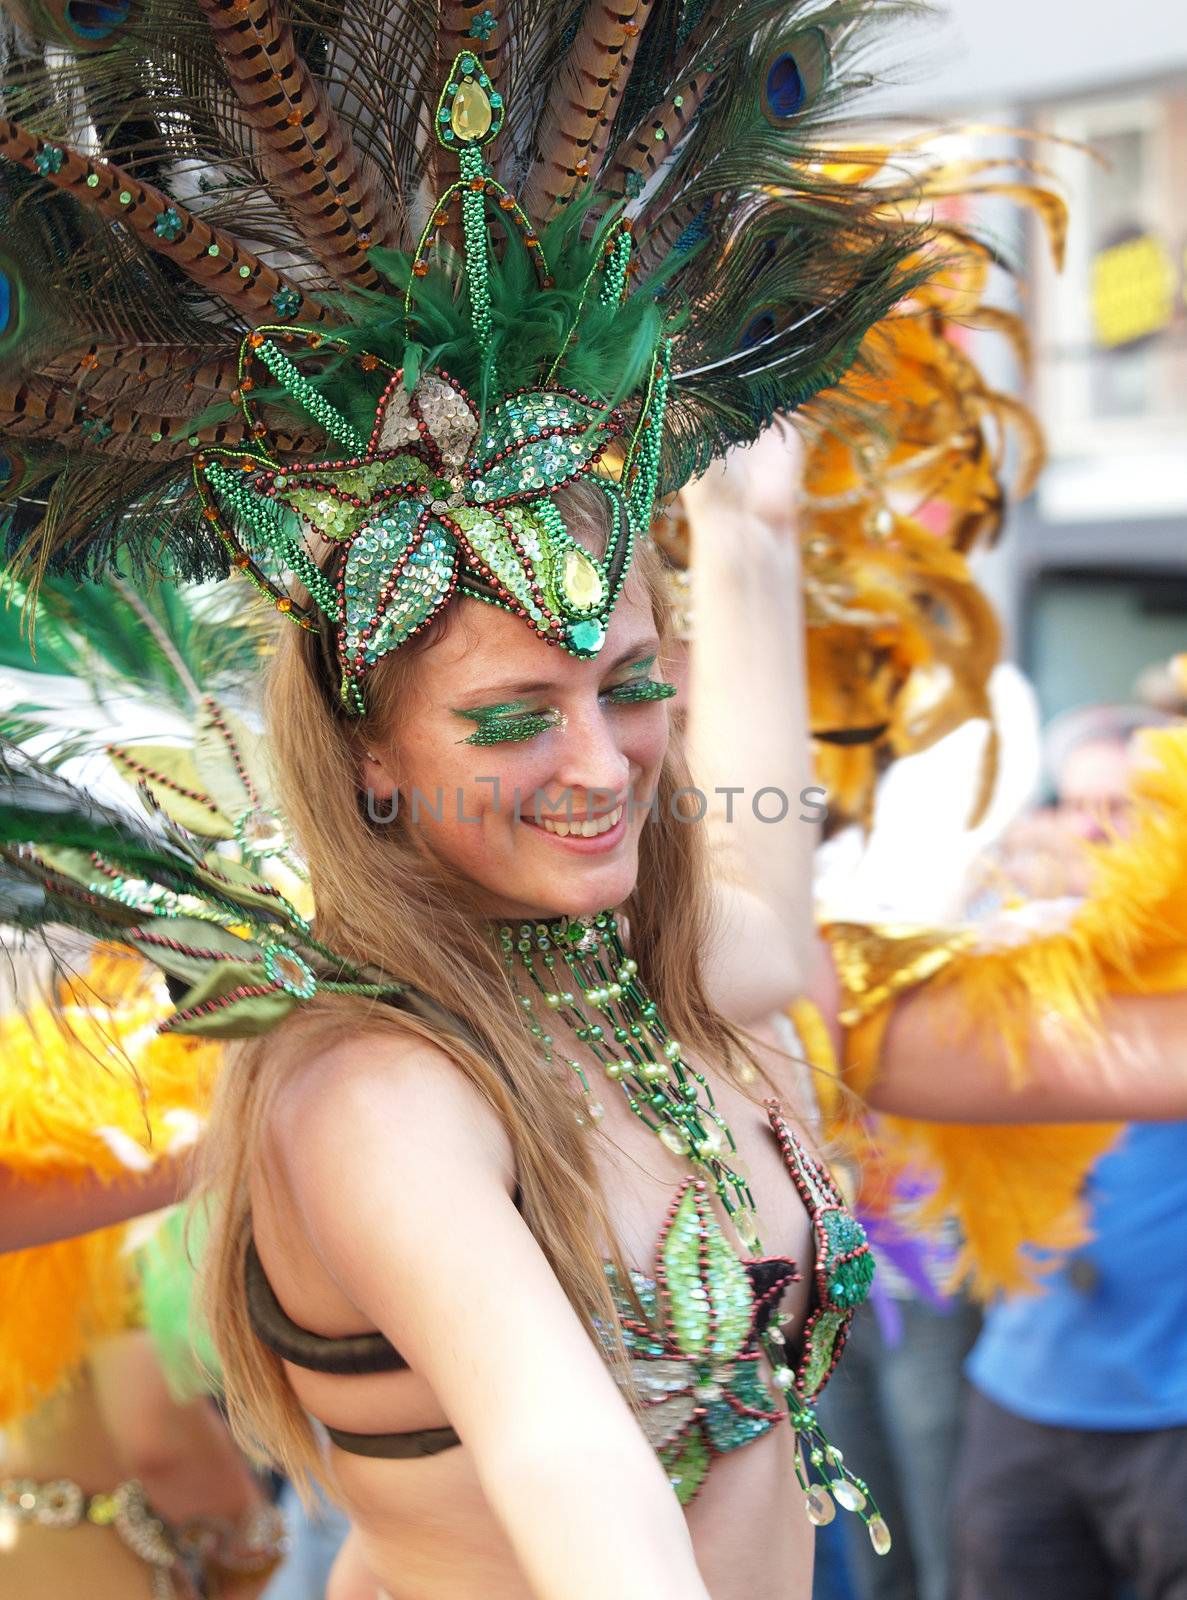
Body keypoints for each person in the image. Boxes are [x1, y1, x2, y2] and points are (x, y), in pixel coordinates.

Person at [9, 8, 1187, 1600]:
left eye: (627, 686)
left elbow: (753, 891)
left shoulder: (645, 991)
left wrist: (754, 537)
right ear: (366, 752)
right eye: (511, 719)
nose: (596, 760)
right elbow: (574, 1468)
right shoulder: (377, 1088)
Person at [951, 706, 1187, 1600]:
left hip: (1169, 1412)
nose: (1091, 830)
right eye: (1075, 805)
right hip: (1023, 1391)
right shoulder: (1009, 947)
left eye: (1122, 810)